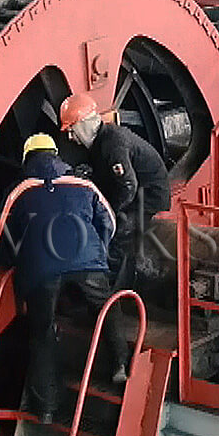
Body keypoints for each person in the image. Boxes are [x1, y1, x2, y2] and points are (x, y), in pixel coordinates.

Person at [0, 132, 129, 422]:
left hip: (41, 272)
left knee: (42, 334)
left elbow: (0, 233)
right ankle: (119, 364)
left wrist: (12, 262)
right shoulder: (82, 184)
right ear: (56, 155)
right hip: (87, 260)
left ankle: (47, 408)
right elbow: (109, 221)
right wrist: (98, 253)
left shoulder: (20, 190)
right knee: (106, 307)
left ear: (27, 158)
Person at [60, 93, 170, 290]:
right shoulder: (102, 141)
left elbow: (129, 185)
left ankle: (118, 290)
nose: (70, 137)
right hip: (136, 191)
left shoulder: (113, 145)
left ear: (83, 125)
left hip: (149, 196)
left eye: (72, 130)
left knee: (119, 234)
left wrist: (112, 212)